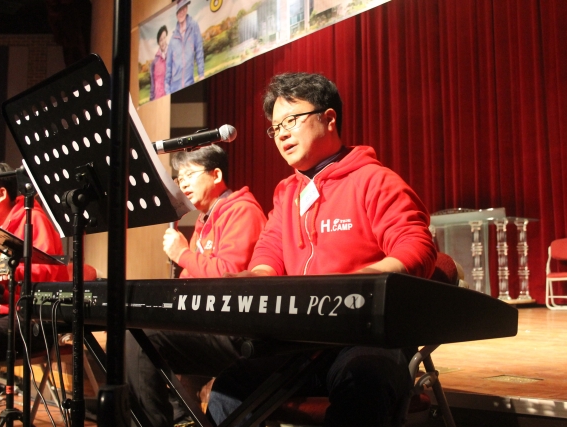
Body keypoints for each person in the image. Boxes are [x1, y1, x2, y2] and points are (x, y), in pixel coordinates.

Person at [207, 73, 438, 427]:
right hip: (301, 340)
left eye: (291, 121)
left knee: (364, 378)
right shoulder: (287, 193)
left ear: (329, 119)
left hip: (365, 336)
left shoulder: (374, 180)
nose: (281, 134)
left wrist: (363, 281)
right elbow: (270, 251)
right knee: (230, 388)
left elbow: (416, 244)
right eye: (275, 127)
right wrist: (257, 277)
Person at [125, 144, 267, 426]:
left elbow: (228, 279)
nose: (183, 185)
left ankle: (175, 420)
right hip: (207, 323)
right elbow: (191, 280)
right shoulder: (205, 219)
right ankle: (180, 419)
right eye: (179, 179)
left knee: (142, 338)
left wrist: (182, 254)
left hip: (235, 328)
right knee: (134, 328)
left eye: (190, 175)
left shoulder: (242, 210)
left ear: (216, 175)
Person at [0, 162, 68, 415]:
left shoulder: (33, 220)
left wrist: (1, 271)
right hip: (1, 309)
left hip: (34, 318)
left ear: (1, 194)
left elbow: (50, 273)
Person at [164, 0, 205, 95]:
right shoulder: (173, 39)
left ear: (186, 8)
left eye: (183, 8)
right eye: (179, 10)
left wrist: (201, 75)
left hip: (189, 84)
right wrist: (167, 90)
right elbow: (168, 67)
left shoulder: (193, 27)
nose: (181, 12)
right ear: (176, 14)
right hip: (174, 90)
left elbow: (199, 51)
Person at [149, 25, 169, 101]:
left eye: (164, 38)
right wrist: (151, 100)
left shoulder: (173, 54)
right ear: (158, 42)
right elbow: (152, 85)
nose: (163, 41)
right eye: (160, 40)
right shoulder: (154, 63)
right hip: (158, 99)